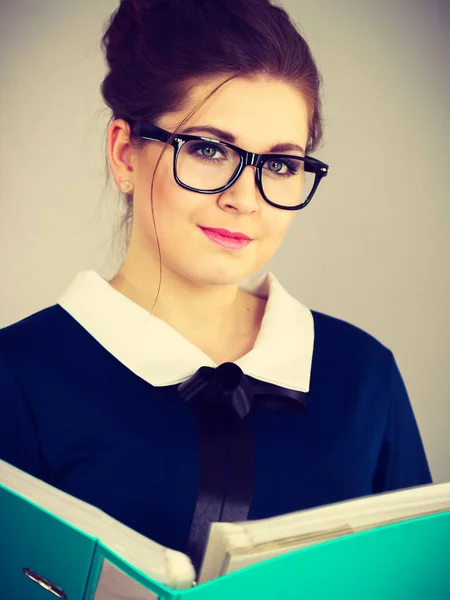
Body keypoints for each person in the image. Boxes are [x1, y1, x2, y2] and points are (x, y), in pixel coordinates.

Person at [0, 0, 431, 574]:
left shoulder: (362, 377)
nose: (244, 199)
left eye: (280, 164)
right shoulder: (17, 377)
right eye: (207, 149)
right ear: (125, 153)